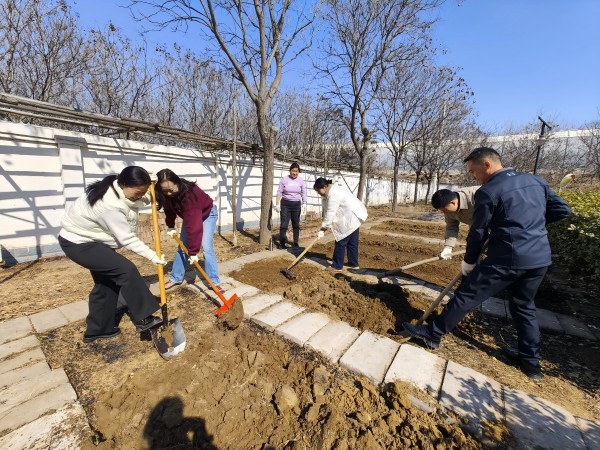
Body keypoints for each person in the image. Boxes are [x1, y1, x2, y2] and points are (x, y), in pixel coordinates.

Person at [402, 147, 571, 380]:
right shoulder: (536, 181)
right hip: (539, 258)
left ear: (487, 165)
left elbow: (478, 232)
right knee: (524, 306)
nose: (472, 176)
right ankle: (530, 362)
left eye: (473, 171)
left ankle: (432, 334)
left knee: (466, 295)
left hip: (507, 258)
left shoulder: (488, 191)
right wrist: (530, 226)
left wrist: (469, 262)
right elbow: (562, 210)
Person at [58, 166, 165, 343]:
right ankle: (144, 319)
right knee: (126, 270)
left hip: (94, 240)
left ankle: (98, 329)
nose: (140, 196)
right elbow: (127, 239)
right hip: (79, 243)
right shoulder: (110, 206)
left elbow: (138, 198)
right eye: (138, 192)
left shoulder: (120, 189)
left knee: (106, 284)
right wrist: (152, 256)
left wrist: (150, 186)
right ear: (123, 184)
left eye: (143, 192)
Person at [155, 169, 222, 292]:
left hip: (207, 214)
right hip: (191, 216)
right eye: (165, 191)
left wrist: (193, 251)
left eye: (171, 190)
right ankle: (176, 277)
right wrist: (170, 225)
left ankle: (214, 281)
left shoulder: (190, 195)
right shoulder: (167, 195)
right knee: (182, 246)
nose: (168, 193)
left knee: (206, 247)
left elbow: (194, 227)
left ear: (177, 183)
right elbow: (169, 209)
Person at [313, 177, 368, 272]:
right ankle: (353, 264)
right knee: (352, 243)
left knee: (341, 241)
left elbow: (331, 212)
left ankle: (337, 266)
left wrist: (323, 229)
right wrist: (324, 226)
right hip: (353, 217)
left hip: (350, 218)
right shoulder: (332, 191)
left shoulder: (334, 194)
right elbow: (328, 211)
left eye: (318, 190)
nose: (318, 193)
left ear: (325, 187)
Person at [431, 186, 479, 259]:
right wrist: (448, 247)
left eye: (444, 210)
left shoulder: (476, 197)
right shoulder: (448, 210)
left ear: (453, 203)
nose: (444, 213)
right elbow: (451, 227)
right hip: (476, 227)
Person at [274, 162, 307, 250]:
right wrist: (277, 204)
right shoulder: (284, 179)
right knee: (284, 224)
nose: (295, 173)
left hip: (296, 204)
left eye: (296, 171)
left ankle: (295, 243)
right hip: (285, 204)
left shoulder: (301, 181)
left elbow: (304, 192)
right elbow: (279, 192)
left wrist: (304, 203)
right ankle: (282, 243)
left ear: (298, 172)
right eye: (293, 171)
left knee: (296, 224)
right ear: (290, 170)